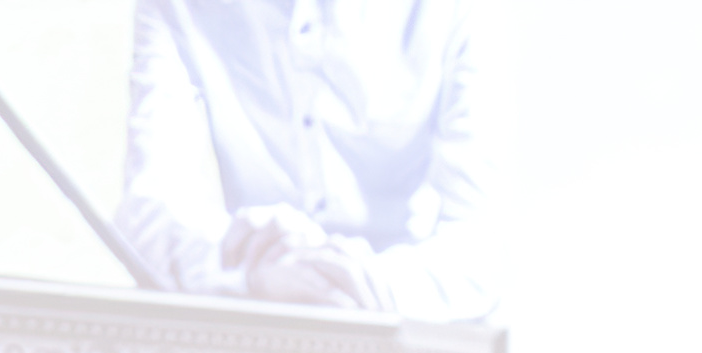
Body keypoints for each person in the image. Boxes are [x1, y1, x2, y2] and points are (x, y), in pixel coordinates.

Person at [115, 0, 494, 321]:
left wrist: (366, 282)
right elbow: (147, 211)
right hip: (254, 329)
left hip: (415, 351)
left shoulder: (454, 10)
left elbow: (483, 245)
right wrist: (248, 271)